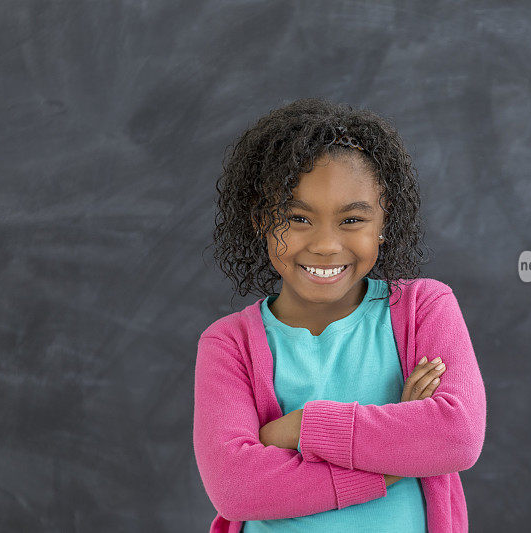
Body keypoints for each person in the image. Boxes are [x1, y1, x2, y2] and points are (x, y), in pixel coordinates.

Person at [193, 97, 486, 532]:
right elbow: (236, 489)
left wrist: (298, 428)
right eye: (297, 218)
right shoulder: (229, 344)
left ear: (384, 221)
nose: (326, 244)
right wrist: (398, 458)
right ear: (259, 218)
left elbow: (457, 435)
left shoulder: (423, 308)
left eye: (351, 220)